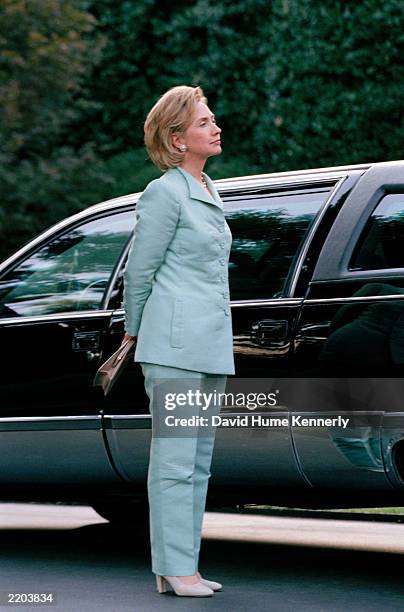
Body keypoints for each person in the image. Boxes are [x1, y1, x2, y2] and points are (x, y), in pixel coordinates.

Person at [121, 85, 235, 597]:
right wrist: (133, 330)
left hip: (209, 343)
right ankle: (174, 567)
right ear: (176, 137)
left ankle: (179, 567)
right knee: (174, 462)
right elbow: (139, 272)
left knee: (197, 462)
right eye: (204, 122)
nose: (215, 127)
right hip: (173, 347)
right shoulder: (163, 192)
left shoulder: (209, 188)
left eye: (213, 120)